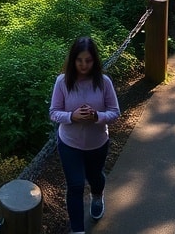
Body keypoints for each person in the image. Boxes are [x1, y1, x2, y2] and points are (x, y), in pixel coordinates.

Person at [49, 36, 121, 234]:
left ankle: (97, 196)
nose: (83, 65)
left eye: (88, 61)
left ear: (94, 60)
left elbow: (115, 112)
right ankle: (78, 230)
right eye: (79, 60)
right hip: (69, 143)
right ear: (73, 60)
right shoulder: (62, 82)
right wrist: (72, 116)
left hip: (97, 143)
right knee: (76, 185)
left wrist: (96, 116)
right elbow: (54, 112)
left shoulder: (103, 82)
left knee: (95, 177)